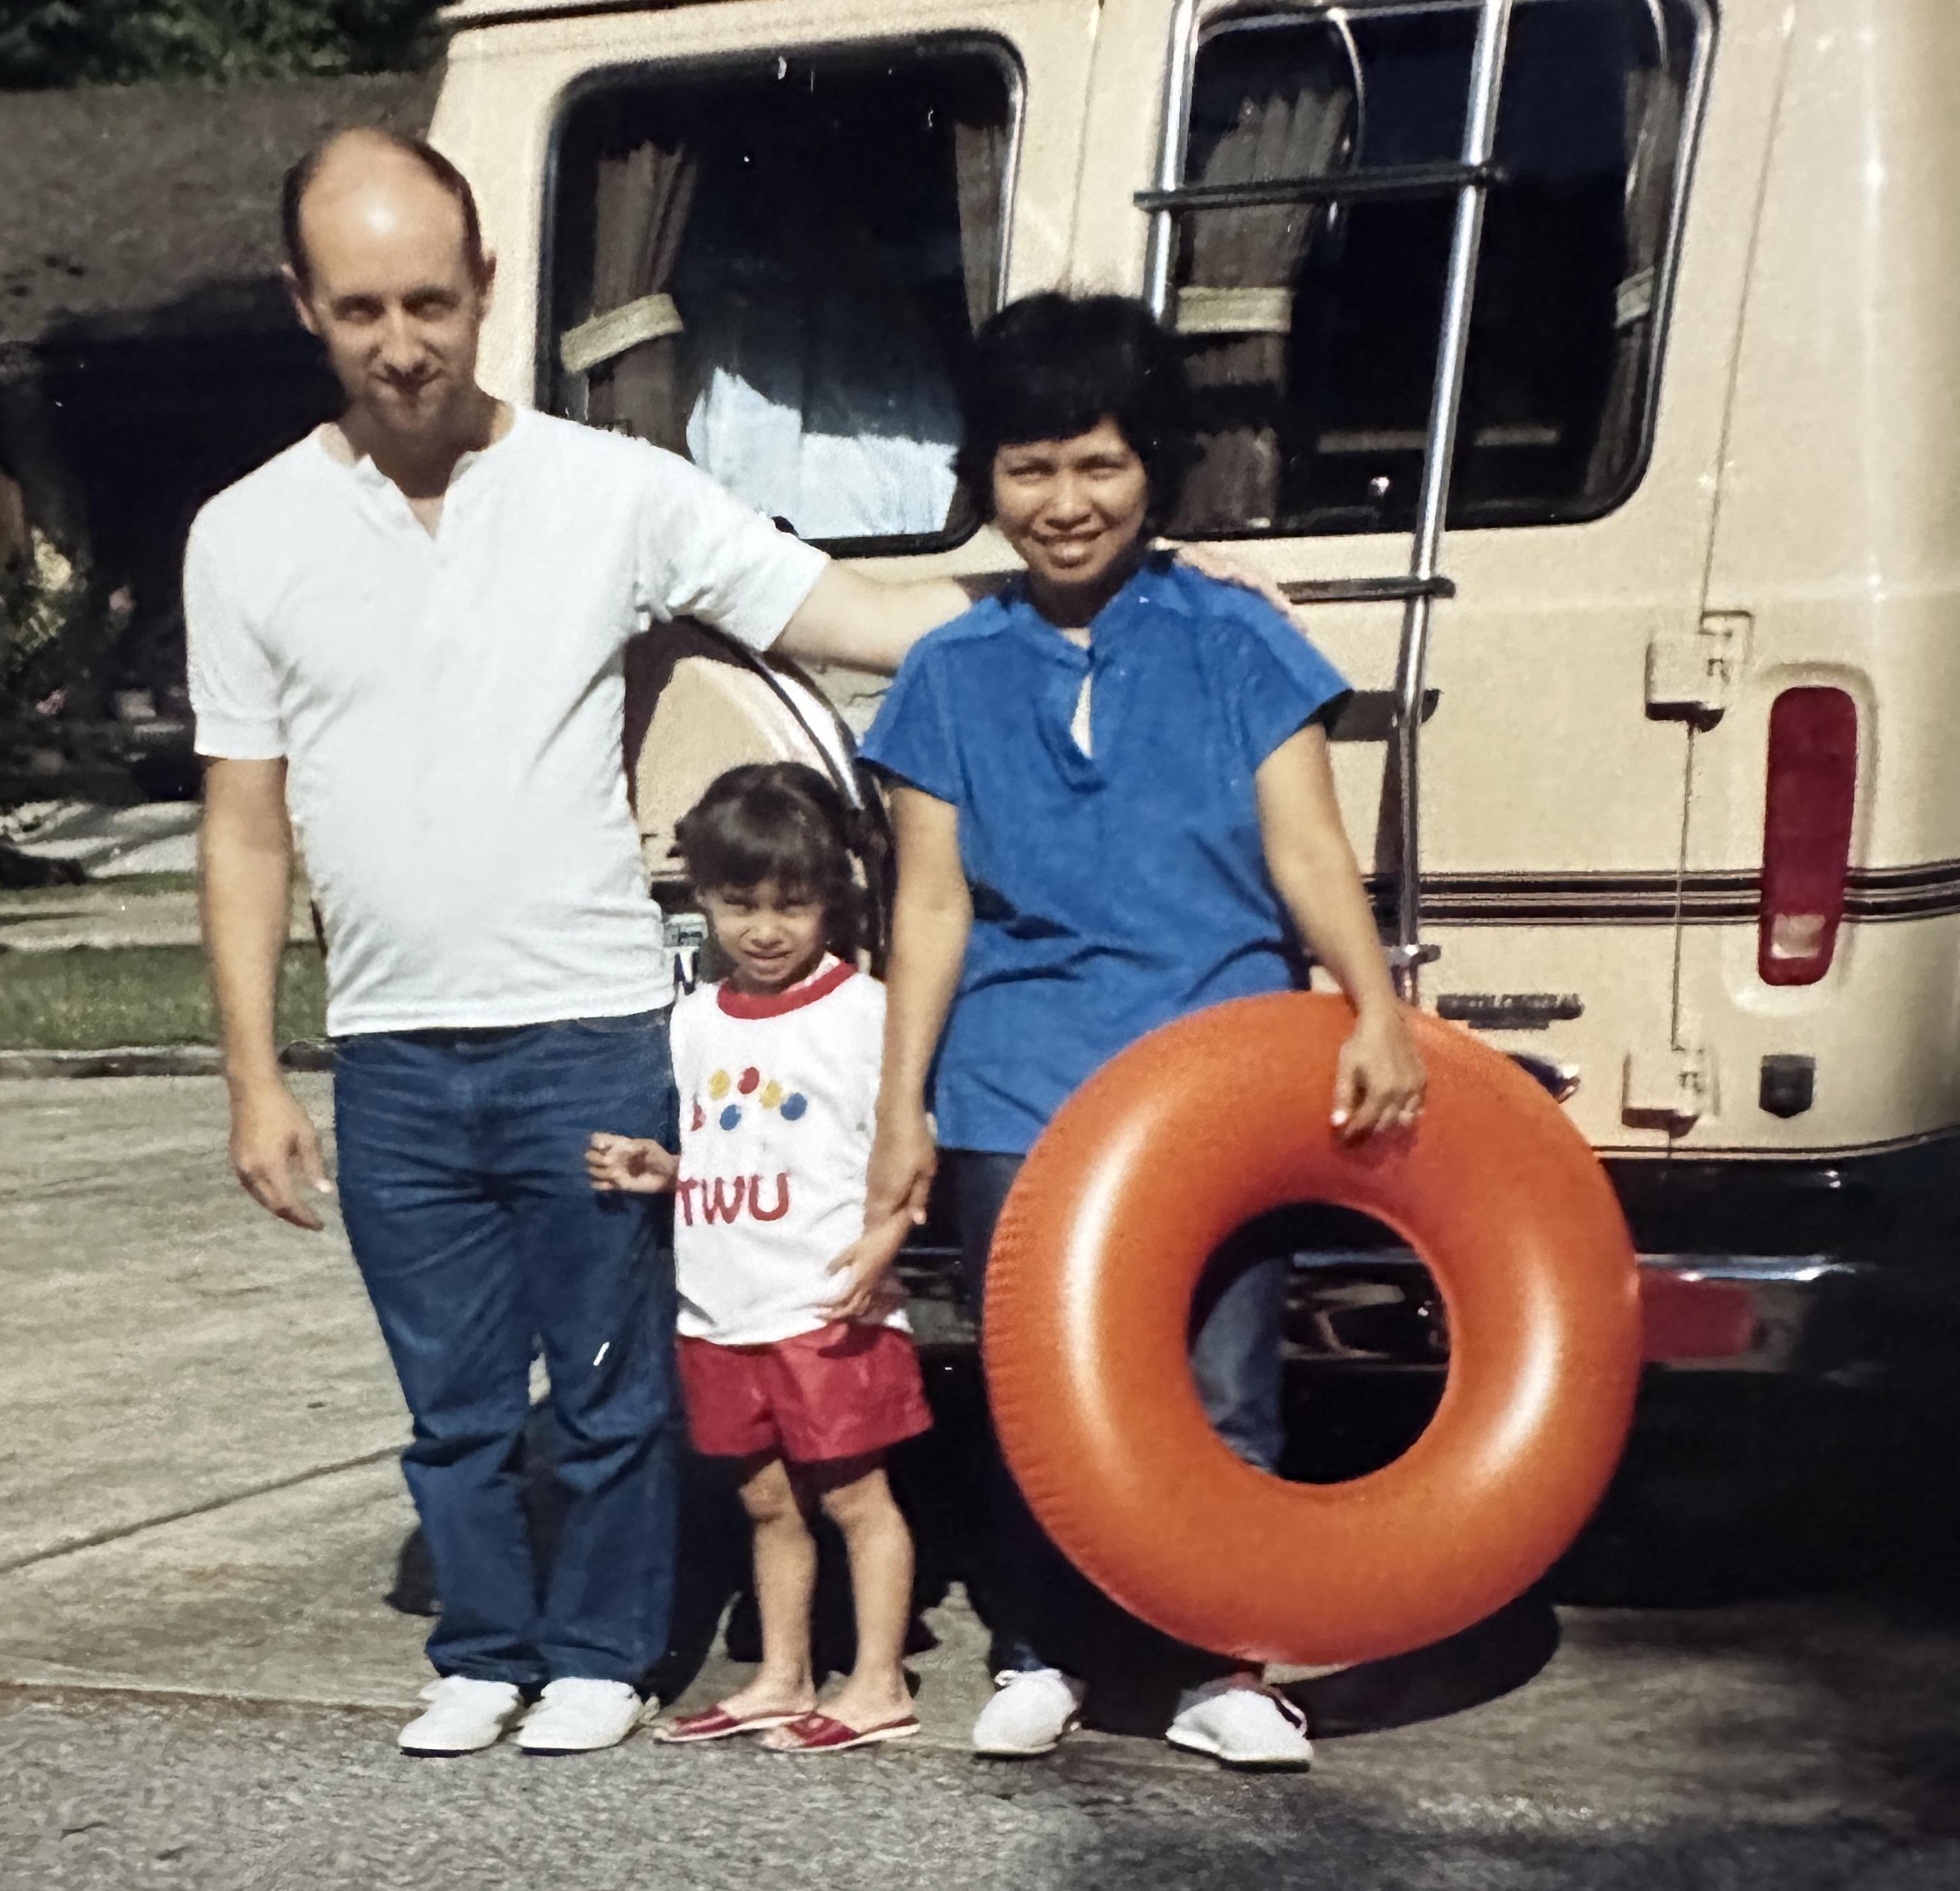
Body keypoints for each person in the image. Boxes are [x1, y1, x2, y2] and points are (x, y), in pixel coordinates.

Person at [185, 131, 1003, 1758]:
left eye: (432, 297)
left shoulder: (607, 488)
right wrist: (254, 1073)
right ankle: (483, 1648)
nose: (403, 341)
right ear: (304, 305)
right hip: (399, 1048)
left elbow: (834, 610)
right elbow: (243, 824)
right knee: (460, 1405)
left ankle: (604, 1659)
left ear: (488, 286)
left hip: (588, 1029)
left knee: (619, 1388)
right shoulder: (245, 532)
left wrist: (1081, 592)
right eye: (361, 308)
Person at [859, 292, 1427, 1770]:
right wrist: (899, 1104)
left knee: (1224, 1384)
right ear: (984, 477)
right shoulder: (946, 671)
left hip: (1219, 1077)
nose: (1066, 503)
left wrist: (1374, 1003)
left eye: (1099, 464)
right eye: (1030, 467)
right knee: (1043, 1395)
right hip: (1018, 1085)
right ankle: (1042, 1647)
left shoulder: (1241, 637)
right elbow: (928, 907)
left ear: (1155, 465)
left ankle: (1220, 1661)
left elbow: (1308, 848)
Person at [586, 764, 928, 1755]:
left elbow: (911, 1148)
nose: (765, 929)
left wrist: (885, 1242)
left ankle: (877, 1681)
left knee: (859, 1500)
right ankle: (783, 1673)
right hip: (723, 1308)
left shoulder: (865, 1010)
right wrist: (666, 1170)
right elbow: (735, 1150)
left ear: (830, 898)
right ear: (703, 900)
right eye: (739, 905)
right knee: (768, 1500)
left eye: (791, 904)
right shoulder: (695, 1020)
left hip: (826, 1302)